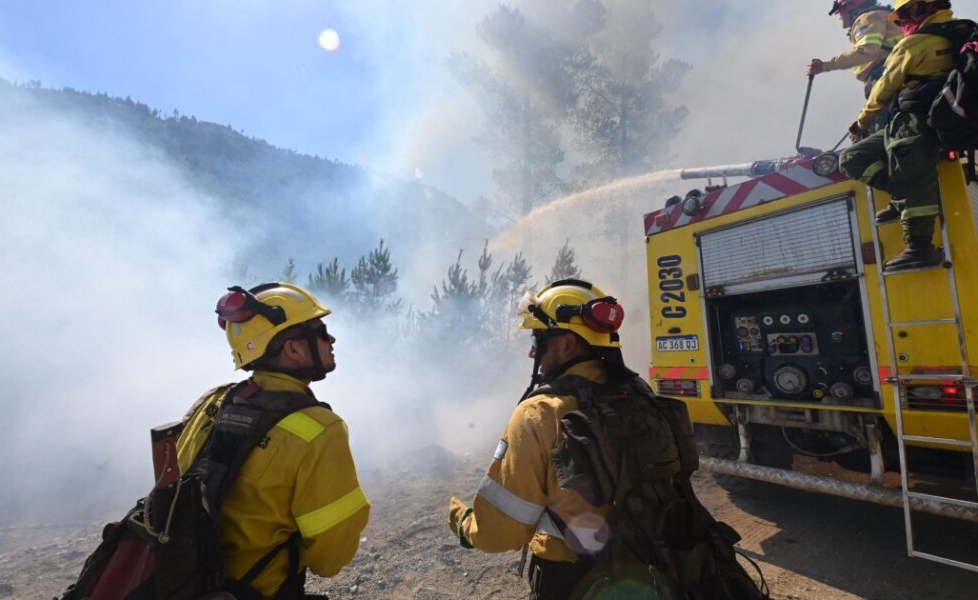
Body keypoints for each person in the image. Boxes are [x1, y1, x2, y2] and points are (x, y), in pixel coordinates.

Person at [446, 280, 761, 599]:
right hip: (662, 567)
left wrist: (463, 522)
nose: (532, 351)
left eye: (538, 339)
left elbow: (500, 533)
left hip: (575, 580)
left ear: (567, 344)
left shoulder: (540, 414)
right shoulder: (640, 392)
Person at [176, 282, 370, 597]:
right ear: (293, 349)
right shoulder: (321, 430)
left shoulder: (212, 402)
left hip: (184, 584)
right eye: (320, 330)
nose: (331, 338)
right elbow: (330, 559)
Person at [838, 0, 956, 271]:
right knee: (854, 157)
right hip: (949, 117)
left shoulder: (914, 43)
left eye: (902, 18)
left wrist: (861, 123)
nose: (900, 24)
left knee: (907, 171)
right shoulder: (965, 32)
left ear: (919, 10)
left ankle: (919, 248)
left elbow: (884, 88)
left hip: (916, 119)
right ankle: (902, 196)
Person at [808, 0, 903, 103]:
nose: (839, 15)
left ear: (850, 6)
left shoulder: (867, 18)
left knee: (876, 116)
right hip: (899, 70)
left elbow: (867, 52)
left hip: (888, 75)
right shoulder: (884, 14)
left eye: (840, 11)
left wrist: (824, 65)